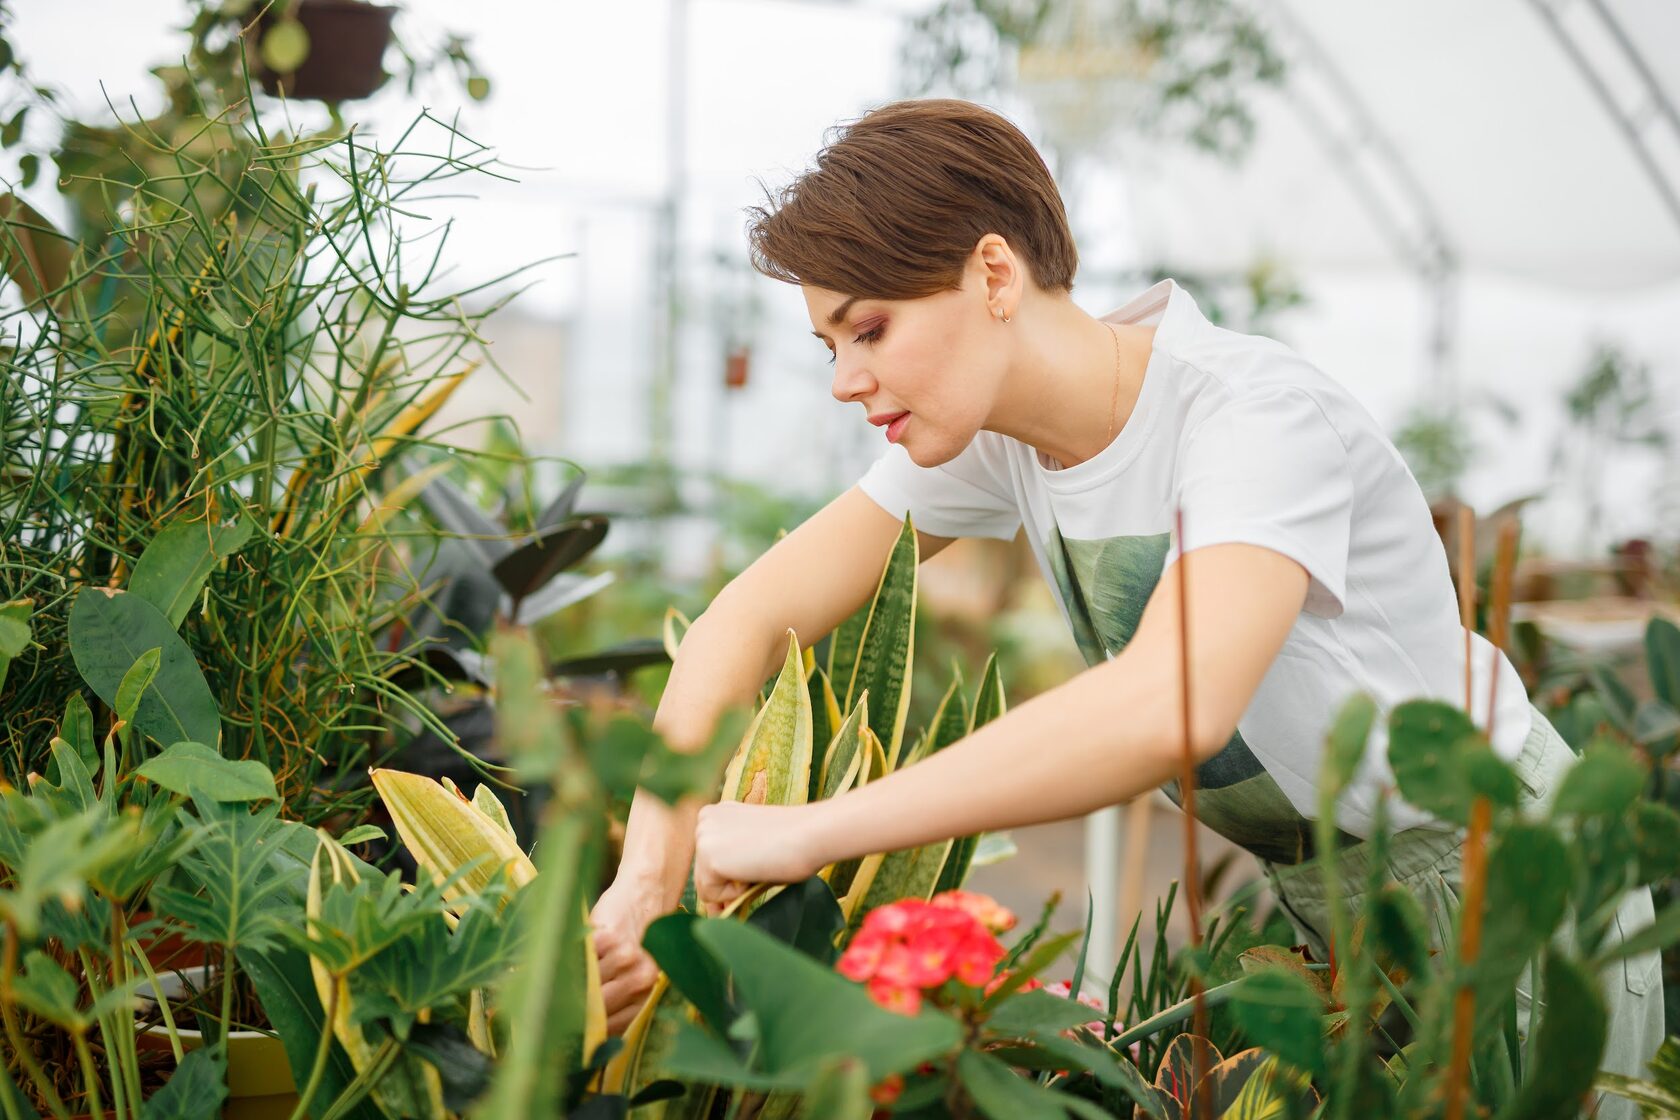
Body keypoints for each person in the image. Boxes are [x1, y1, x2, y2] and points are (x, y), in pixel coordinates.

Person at [588, 98, 1661, 1100]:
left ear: (994, 274)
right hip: (1339, 897)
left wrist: (810, 831)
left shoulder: (1252, 415)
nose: (843, 380)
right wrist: (647, 874)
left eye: (868, 330)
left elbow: (1172, 704)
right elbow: (740, 621)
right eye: (829, 346)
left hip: (1497, 876)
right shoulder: (999, 443)